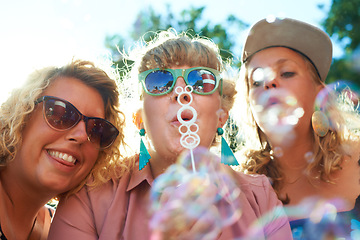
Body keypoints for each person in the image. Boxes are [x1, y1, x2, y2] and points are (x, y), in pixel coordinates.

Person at [48, 30, 292, 239]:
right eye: (158, 81)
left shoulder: (258, 196)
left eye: (201, 81)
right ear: (139, 119)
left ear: (221, 116)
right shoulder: (91, 195)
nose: (181, 92)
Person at [236, 17, 360, 237]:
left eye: (286, 73)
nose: (269, 83)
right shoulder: (240, 189)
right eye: (256, 81)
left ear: (318, 92)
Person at [0, 59, 125, 240]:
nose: (82, 135)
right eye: (60, 113)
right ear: (20, 115)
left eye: (97, 129)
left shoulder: (69, 230)